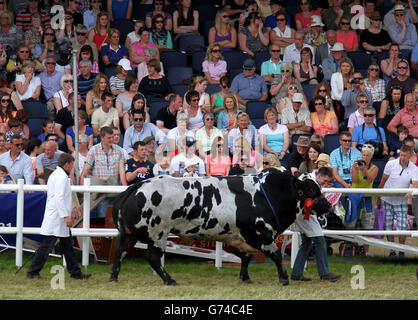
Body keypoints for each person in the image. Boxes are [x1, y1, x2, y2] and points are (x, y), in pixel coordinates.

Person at [26, 153, 91, 280]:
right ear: (67, 164)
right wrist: (66, 217)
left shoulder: (57, 175)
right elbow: (59, 198)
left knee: (67, 246)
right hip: (57, 218)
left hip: (57, 217)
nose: (73, 167)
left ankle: (75, 272)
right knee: (47, 247)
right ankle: (33, 271)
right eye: (72, 164)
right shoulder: (61, 177)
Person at [290, 166, 342, 282]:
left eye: (328, 182)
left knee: (307, 242)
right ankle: (324, 272)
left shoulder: (309, 179)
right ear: (319, 176)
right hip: (304, 214)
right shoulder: (310, 182)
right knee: (319, 240)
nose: (326, 183)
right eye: (325, 180)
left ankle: (296, 273)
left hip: (303, 213)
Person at [377, 145, 418, 256]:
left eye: (405, 155)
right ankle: (392, 250)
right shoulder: (390, 164)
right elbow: (383, 180)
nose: (403, 157)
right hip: (387, 198)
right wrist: (379, 196)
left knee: (402, 225)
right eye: (401, 155)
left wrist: (411, 191)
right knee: (388, 225)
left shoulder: (414, 168)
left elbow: (415, 183)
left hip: (401, 200)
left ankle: (401, 250)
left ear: (410, 155)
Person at [80, 126, 127, 217]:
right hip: (100, 193)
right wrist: (82, 187)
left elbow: (122, 171)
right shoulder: (93, 150)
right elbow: (85, 170)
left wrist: (124, 188)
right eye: (109, 138)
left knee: (115, 220)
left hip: (115, 191)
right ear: (102, 138)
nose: (111, 139)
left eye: (112, 137)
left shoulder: (119, 150)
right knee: (103, 218)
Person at [345, 143, 379, 230]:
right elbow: (354, 180)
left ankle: (365, 243)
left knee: (367, 224)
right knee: (351, 222)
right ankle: (350, 243)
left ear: (371, 156)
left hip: (368, 197)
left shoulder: (375, 168)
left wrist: (364, 169)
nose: (365, 157)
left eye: (368, 155)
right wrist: (356, 170)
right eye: (363, 155)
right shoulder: (355, 166)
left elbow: (369, 180)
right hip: (355, 196)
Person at [330, 131, 362, 215]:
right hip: (340, 180)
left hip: (354, 180)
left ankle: (354, 219)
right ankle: (343, 217)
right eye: (345, 140)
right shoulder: (334, 153)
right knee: (340, 193)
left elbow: (360, 171)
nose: (347, 142)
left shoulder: (357, 153)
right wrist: (345, 184)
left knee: (356, 195)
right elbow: (335, 174)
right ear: (340, 141)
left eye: (349, 140)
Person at [39, 55, 64, 120]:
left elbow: (66, 89)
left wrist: (57, 98)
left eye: (53, 63)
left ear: (55, 65)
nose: (51, 65)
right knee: (49, 105)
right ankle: (52, 124)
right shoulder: (40, 76)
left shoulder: (61, 75)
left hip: (60, 99)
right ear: (45, 65)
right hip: (48, 101)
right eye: (48, 63)